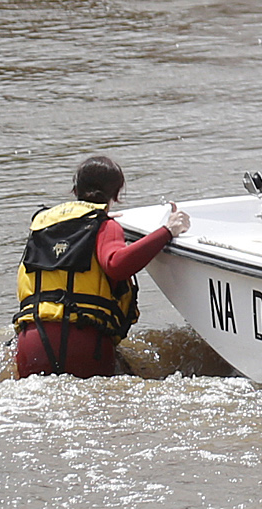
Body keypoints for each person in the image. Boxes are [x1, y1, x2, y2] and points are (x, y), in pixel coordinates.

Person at [14, 157, 189, 379]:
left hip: (33, 342)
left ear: (75, 189)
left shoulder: (41, 224)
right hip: (85, 344)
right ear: (116, 195)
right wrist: (167, 231)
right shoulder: (105, 227)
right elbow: (116, 265)